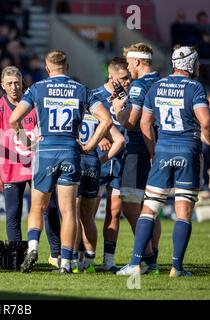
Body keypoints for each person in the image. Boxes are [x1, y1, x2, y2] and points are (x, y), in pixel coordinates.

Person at [10, 50, 112, 273]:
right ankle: (66, 262)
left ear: (47, 69)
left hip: (46, 150)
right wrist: (90, 145)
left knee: (38, 206)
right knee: (68, 211)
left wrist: (25, 140)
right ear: (67, 67)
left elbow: (13, 118)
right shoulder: (81, 89)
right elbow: (106, 120)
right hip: (71, 151)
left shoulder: (37, 88)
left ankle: (33, 248)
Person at [117, 46, 210, 277]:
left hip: (162, 152)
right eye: (197, 63)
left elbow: (145, 123)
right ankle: (176, 268)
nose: (199, 67)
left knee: (149, 208)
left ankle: (135, 264)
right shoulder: (195, 88)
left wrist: (153, 151)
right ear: (190, 64)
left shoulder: (157, 86)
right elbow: (206, 122)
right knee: (183, 211)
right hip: (188, 151)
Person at [0, 65, 61, 267]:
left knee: (50, 209)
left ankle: (56, 254)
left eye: (17, 83)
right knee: (13, 213)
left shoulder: (34, 104)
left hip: (37, 165)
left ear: (22, 83)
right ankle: (18, 258)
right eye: (9, 83)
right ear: (2, 85)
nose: (13, 87)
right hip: (12, 167)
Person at [112, 43, 162, 274]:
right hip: (158, 149)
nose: (128, 67)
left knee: (131, 206)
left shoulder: (139, 85)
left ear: (138, 62)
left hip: (137, 149)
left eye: (130, 63)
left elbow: (130, 121)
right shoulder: (161, 81)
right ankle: (152, 259)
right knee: (150, 205)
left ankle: (143, 259)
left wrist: (116, 108)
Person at [74, 97, 125, 273]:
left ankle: (71, 260)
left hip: (75, 163)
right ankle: (89, 260)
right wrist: (101, 160)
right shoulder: (98, 118)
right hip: (94, 165)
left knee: (72, 214)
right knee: (88, 217)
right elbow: (119, 140)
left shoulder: (75, 113)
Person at [92, 57, 131, 272]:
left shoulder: (131, 97)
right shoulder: (95, 95)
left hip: (120, 162)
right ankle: (84, 257)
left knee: (114, 212)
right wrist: (101, 135)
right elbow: (83, 124)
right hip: (98, 161)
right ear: (111, 76)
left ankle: (108, 260)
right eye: (123, 78)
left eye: (129, 78)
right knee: (89, 212)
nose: (127, 82)